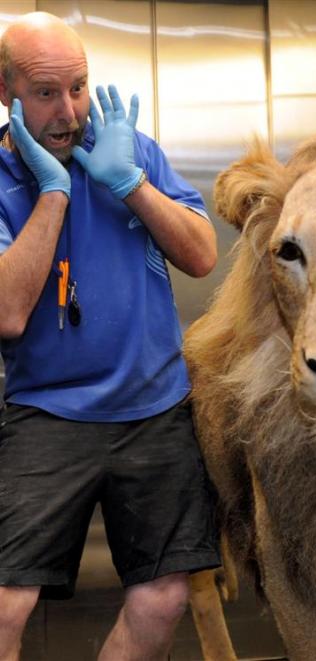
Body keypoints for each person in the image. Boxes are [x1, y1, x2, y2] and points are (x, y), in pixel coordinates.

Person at [0, 11, 220, 661]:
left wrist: (131, 184)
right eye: (45, 93)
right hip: (48, 412)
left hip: (155, 411)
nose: (69, 110)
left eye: (79, 86)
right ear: (5, 93)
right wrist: (55, 193)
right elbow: (8, 314)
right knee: (6, 601)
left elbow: (203, 254)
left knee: (162, 597)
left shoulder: (132, 149)